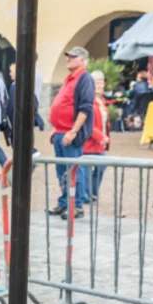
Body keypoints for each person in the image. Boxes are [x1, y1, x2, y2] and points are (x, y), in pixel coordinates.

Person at [47, 46, 94, 219]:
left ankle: (77, 205)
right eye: (68, 56)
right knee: (62, 170)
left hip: (70, 133)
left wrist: (73, 131)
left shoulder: (84, 78)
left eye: (73, 57)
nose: (68, 59)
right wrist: (56, 129)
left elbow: (85, 107)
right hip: (61, 131)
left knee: (74, 169)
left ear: (82, 60)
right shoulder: (71, 78)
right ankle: (65, 202)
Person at [83, 70, 110, 202]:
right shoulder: (89, 101)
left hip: (100, 143)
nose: (99, 85)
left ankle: (93, 192)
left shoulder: (102, 101)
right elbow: (89, 124)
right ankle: (87, 194)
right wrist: (101, 137)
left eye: (101, 82)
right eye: (96, 83)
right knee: (87, 170)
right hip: (89, 141)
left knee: (100, 168)